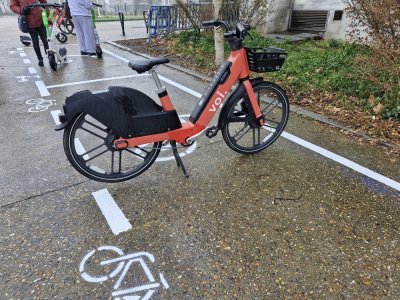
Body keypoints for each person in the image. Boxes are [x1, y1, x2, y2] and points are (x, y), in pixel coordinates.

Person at [10, 0, 49, 66]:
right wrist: (22, 10)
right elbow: (13, 6)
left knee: (45, 40)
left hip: (40, 19)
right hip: (29, 22)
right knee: (35, 41)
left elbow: (44, 1)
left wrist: (46, 9)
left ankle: (49, 56)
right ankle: (40, 59)